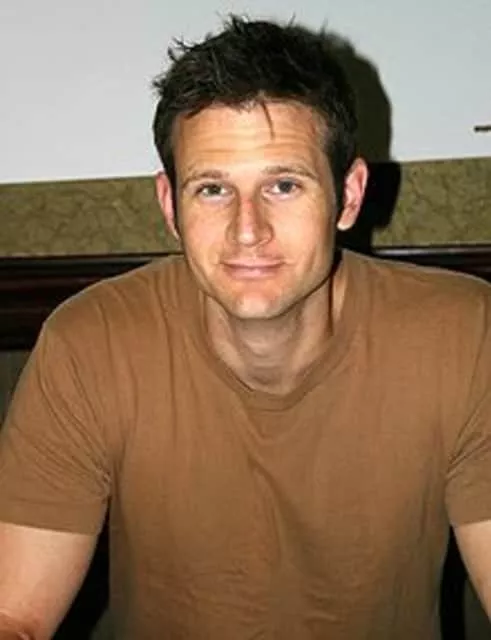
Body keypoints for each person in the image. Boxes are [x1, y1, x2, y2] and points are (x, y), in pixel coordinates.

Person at [0, 15, 490, 640]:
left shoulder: (465, 337)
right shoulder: (89, 344)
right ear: (170, 205)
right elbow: (15, 614)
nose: (247, 230)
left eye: (283, 184)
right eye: (212, 190)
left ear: (348, 195)